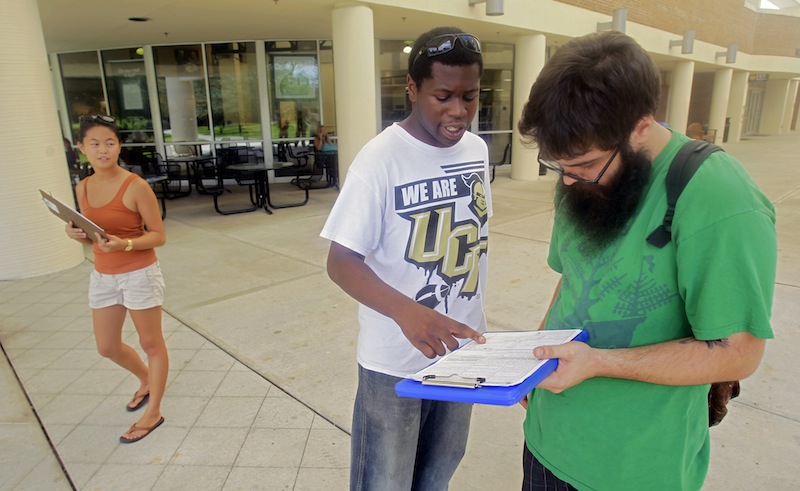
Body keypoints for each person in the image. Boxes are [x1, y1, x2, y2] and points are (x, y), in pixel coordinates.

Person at [516, 31, 776, 490]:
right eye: (558, 166)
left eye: (584, 165)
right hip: (545, 440)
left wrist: (598, 362)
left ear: (640, 125)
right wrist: (531, 362)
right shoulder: (580, 173)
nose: (570, 181)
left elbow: (739, 352)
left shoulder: (719, 196)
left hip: (634, 467)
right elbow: (574, 278)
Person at [320, 27, 491, 490]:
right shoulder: (380, 160)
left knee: (439, 472)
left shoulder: (476, 151)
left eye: (470, 96)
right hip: (395, 361)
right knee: (386, 481)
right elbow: (340, 261)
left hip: (461, 353)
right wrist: (408, 313)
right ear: (413, 89)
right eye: (443, 96)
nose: (459, 112)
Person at [65, 114, 169, 444]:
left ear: (119, 146)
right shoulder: (82, 188)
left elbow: (158, 236)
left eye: (110, 143)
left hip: (139, 274)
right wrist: (75, 233)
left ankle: (153, 411)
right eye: (94, 144)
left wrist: (125, 243)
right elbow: (93, 239)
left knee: (151, 343)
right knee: (107, 346)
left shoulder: (135, 186)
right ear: (82, 148)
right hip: (104, 276)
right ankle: (145, 378)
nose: (103, 150)